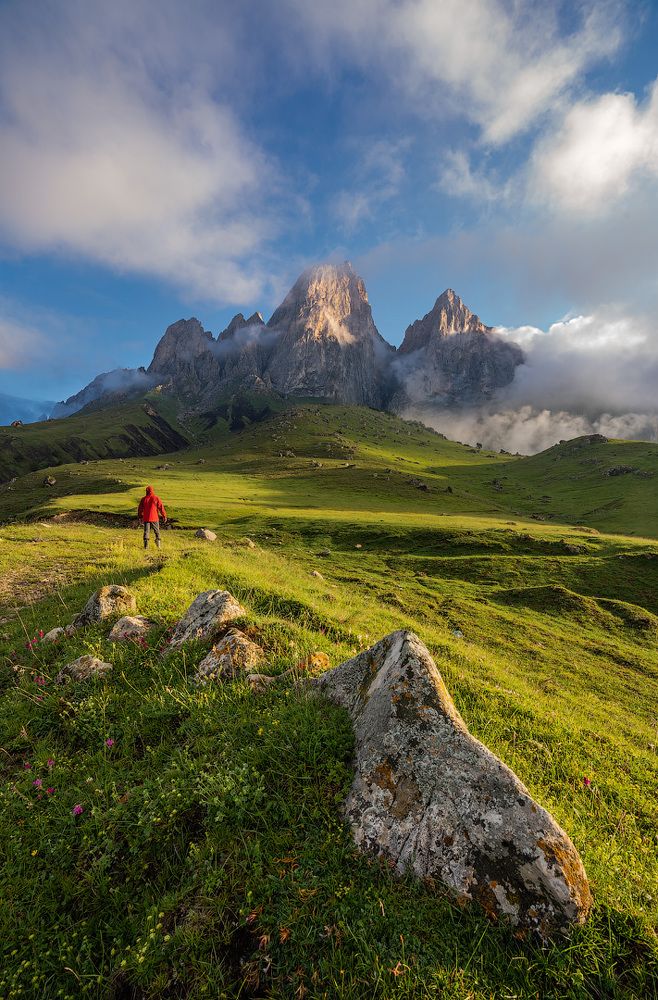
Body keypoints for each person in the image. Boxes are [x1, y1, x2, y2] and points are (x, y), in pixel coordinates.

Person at [137, 485, 167, 549]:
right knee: (157, 531)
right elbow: (161, 507)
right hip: (154, 518)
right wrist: (164, 516)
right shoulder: (156, 498)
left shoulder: (143, 499)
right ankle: (158, 546)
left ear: (146, 491)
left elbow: (140, 509)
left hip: (146, 518)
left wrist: (140, 517)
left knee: (146, 532)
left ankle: (146, 546)